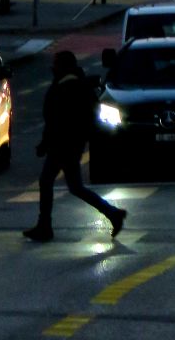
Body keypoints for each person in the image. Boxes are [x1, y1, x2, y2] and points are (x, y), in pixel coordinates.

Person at [23, 50, 126, 243]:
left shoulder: (65, 87)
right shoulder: (78, 85)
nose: (53, 67)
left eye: (56, 63)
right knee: (73, 186)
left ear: (62, 66)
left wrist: (46, 143)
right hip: (70, 144)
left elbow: (55, 120)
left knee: (51, 182)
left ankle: (45, 226)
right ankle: (112, 213)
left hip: (63, 144)